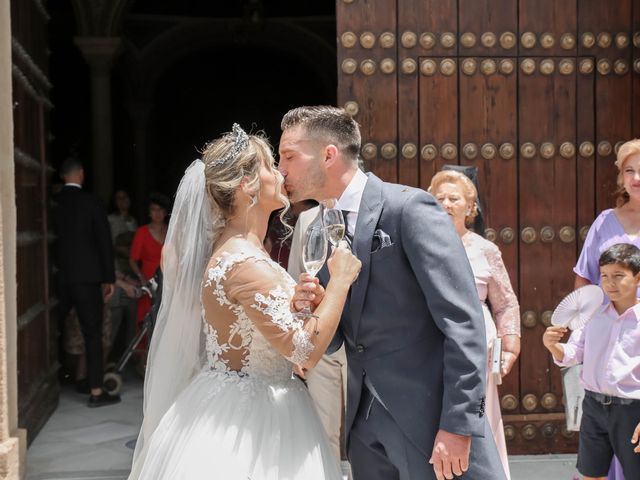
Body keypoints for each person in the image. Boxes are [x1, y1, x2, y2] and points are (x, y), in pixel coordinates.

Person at [279, 106, 504, 480]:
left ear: (329, 154)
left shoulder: (409, 209)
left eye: (289, 155)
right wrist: (320, 306)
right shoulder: (320, 223)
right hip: (365, 431)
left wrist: (459, 424)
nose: (281, 169)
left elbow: (463, 322)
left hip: (432, 423)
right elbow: (340, 337)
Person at [128, 124, 362, 480]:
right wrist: (340, 283)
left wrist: (298, 305)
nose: (281, 173)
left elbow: (262, 327)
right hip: (254, 423)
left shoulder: (242, 251)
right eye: (271, 166)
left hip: (235, 396)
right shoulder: (245, 263)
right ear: (246, 185)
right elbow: (303, 352)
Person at [429, 170, 521, 480]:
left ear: (471, 208)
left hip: (478, 350)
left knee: (477, 413)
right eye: (438, 198)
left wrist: (510, 346)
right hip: (430, 345)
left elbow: (505, 302)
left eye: (454, 198)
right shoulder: (419, 246)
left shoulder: (486, 249)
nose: (445, 204)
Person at [543, 243, 640, 479]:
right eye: (605, 276)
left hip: (632, 410)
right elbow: (575, 352)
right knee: (590, 474)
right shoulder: (594, 314)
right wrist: (553, 346)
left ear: (638, 277)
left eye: (619, 276)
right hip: (594, 407)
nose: (610, 283)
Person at [574, 138, 640, 480]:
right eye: (630, 170)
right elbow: (584, 283)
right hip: (607, 341)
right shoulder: (605, 222)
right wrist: (581, 341)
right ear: (620, 177)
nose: (637, 177)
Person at [52, 157, 120, 407]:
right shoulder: (91, 202)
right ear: (80, 173)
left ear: (62, 176)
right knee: (92, 334)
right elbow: (104, 242)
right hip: (87, 279)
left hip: (58, 278)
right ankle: (95, 391)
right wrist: (108, 278)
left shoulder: (52, 203)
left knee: (52, 331)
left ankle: (50, 384)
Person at [289, 202, 349, 466]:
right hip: (320, 339)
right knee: (324, 430)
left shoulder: (365, 208)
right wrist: (297, 344)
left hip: (360, 341)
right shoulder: (307, 219)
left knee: (362, 432)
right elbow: (295, 277)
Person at [129, 193, 169, 359]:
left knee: (166, 321)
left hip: (168, 282)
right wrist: (141, 278)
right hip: (150, 283)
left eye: (160, 210)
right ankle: (143, 362)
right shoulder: (142, 232)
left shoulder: (171, 230)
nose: (157, 214)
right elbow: (132, 260)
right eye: (153, 210)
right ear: (149, 213)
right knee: (145, 321)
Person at [107, 190, 139, 359]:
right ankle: (108, 358)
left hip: (131, 274)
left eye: (125, 197)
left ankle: (130, 359)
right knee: (114, 319)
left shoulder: (133, 222)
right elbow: (109, 248)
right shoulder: (110, 221)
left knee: (132, 322)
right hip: (116, 273)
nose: (123, 201)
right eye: (119, 198)